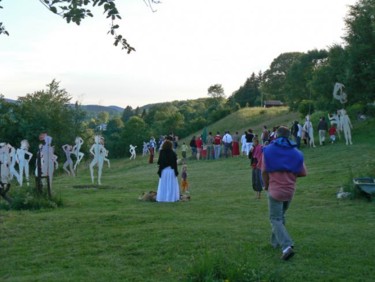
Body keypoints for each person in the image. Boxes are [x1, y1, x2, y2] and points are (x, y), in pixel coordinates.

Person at [261, 126, 307, 261]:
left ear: (276, 135)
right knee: (280, 217)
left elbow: (264, 171)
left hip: (275, 190)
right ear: (289, 136)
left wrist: (266, 185)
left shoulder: (268, 151)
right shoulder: (296, 152)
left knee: (275, 219)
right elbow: (303, 172)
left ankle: (287, 246)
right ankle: (275, 243)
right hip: (290, 191)